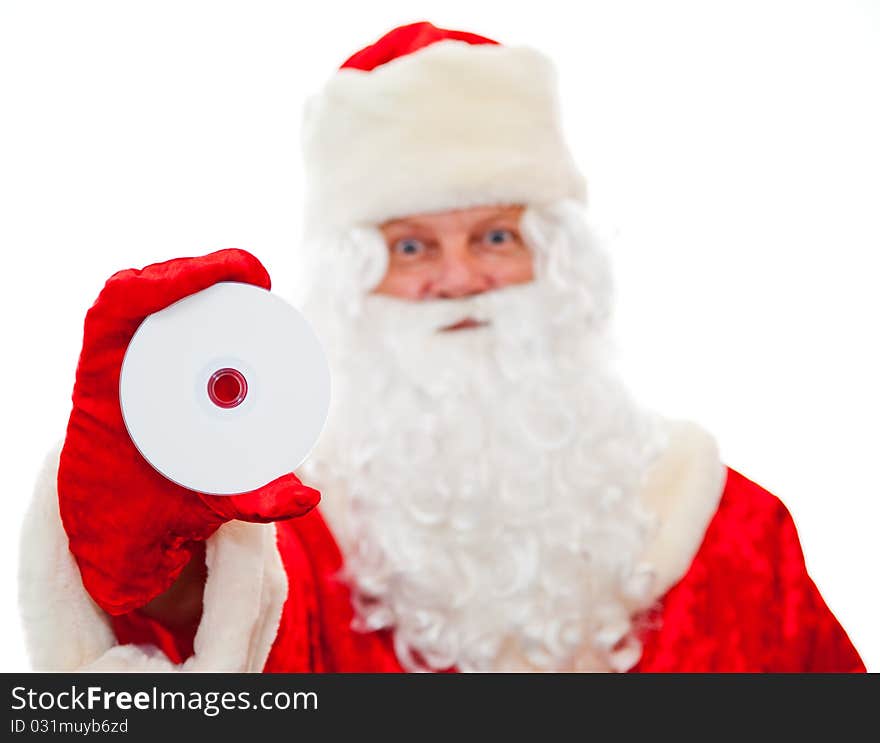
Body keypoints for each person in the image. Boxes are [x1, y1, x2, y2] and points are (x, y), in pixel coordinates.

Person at [20, 21, 865, 673]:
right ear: (353, 284)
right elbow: (185, 665)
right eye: (412, 246)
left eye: (495, 235)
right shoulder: (285, 542)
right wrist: (137, 529)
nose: (458, 279)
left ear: (559, 263)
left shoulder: (734, 528)